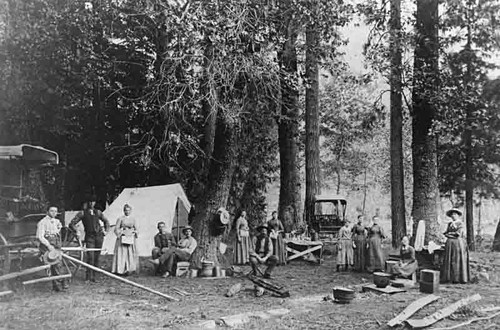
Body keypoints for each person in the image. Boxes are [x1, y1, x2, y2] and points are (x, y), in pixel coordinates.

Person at [70, 195, 110, 282]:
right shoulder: (82, 213)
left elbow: (106, 221)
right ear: (87, 203)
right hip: (90, 237)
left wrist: (106, 231)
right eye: (90, 202)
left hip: (99, 236)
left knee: (96, 257)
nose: (92, 203)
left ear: (95, 203)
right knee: (90, 257)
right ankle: (88, 277)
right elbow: (72, 223)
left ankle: (95, 277)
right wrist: (76, 230)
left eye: (93, 202)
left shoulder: (98, 212)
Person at [36, 206, 68, 291]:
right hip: (47, 245)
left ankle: (58, 284)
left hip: (56, 243)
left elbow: (58, 232)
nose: (54, 213)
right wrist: (49, 245)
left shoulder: (57, 221)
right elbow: (40, 237)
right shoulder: (42, 222)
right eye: (52, 211)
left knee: (58, 263)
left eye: (55, 211)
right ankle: (60, 284)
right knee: (56, 263)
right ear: (47, 212)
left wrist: (59, 228)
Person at [441, 208, 469, 284]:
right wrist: (447, 234)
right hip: (449, 243)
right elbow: (446, 232)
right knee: (449, 259)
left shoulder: (460, 223)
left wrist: (449, 234)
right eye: (452, 215)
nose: (453, 216)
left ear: (458, 215)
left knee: (456, 259)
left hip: (458, 243)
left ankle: (457, 278)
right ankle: (448, 277)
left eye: (455, 214)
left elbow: (458, 233)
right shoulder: (449, 224)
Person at [112, 204, 139, 275]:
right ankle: (121, 269)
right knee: (122, 253)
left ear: (131, 211)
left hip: (130, 237)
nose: (127, 212)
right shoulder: (120, 219)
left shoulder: (133, 219)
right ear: (124, 211)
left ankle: (130, 269)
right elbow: (116, 229)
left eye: (129, 210)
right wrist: (121, 232)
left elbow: (136, 228)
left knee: (130, 253)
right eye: (126, 210)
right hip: (123, 237)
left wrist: (134, 232)